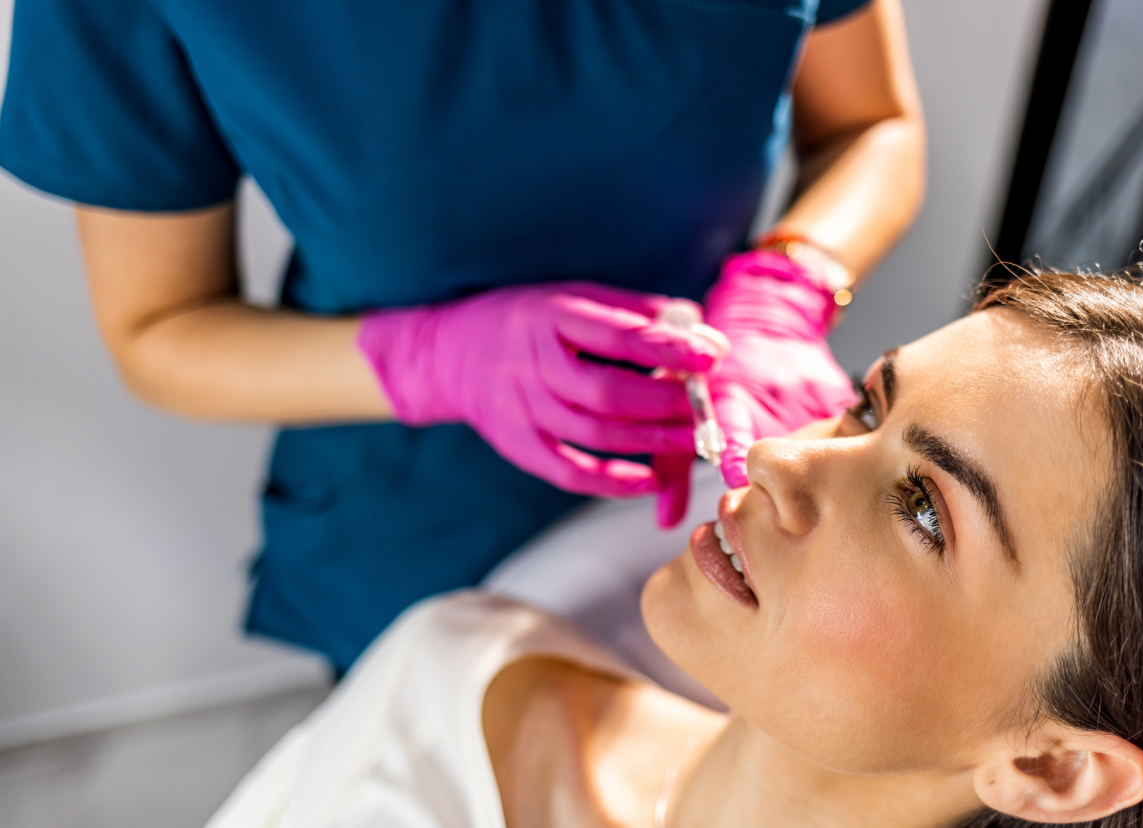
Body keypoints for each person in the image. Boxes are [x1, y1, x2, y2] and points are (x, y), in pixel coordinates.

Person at [0, 0, 926, 672]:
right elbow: (158, 329)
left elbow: (872, 123)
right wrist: (430, 360)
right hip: (413, 521)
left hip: (716, 462)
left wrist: (786, 285)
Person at [204, 268, 1143, 828]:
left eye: (921, 508)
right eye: (859, 407)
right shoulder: (453, 666)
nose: (781, 458)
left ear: (1052, 769)